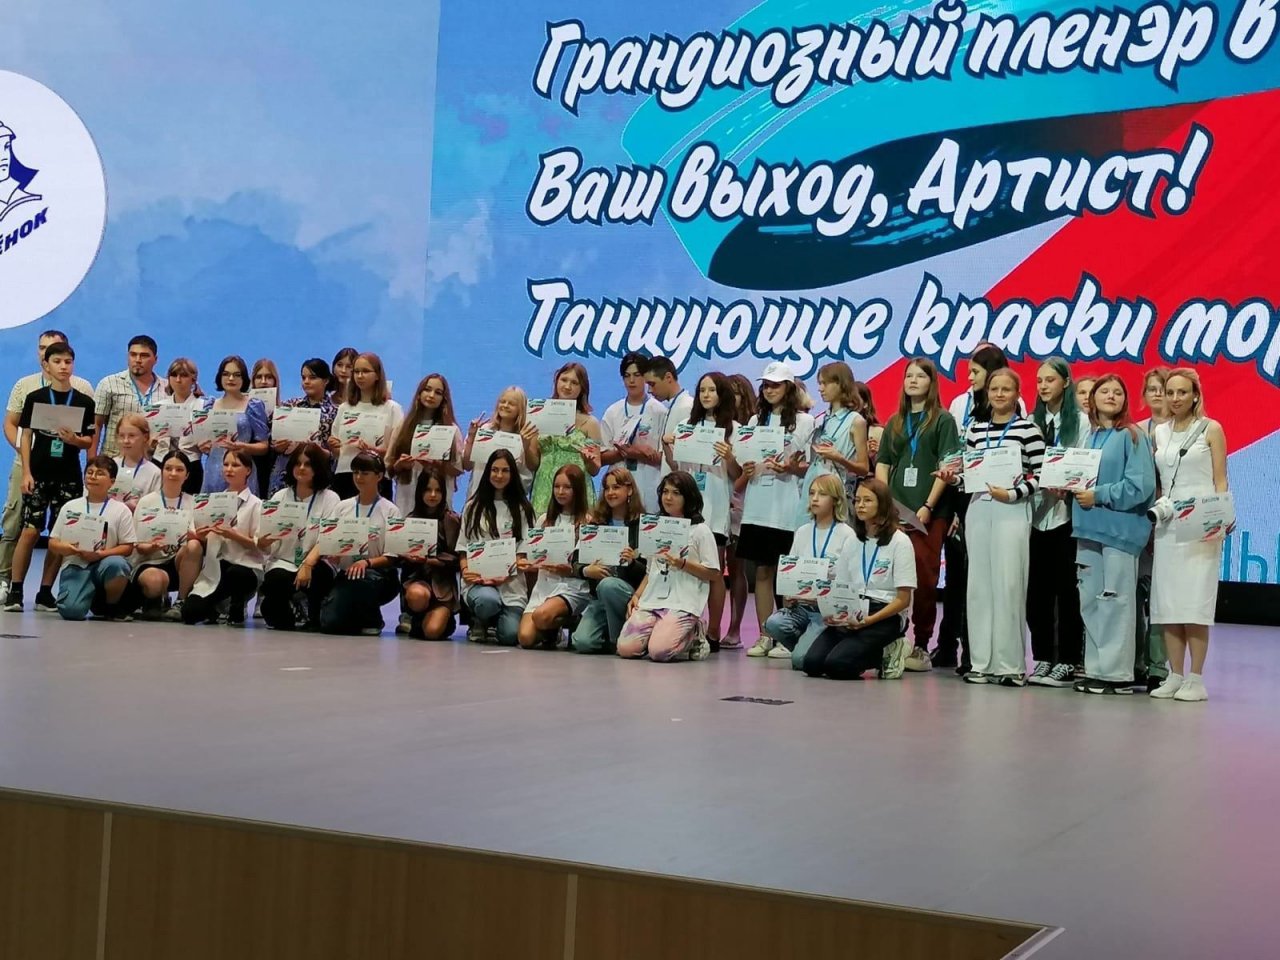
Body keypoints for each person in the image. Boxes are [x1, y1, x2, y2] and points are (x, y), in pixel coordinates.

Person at [943, 367, 1045, 686]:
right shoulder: (976, 430)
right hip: (979, 509)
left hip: (1011, 510)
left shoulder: (1028, 430)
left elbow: (1042, 474)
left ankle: (1010, 665)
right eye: (994, 389)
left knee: (1009, 585)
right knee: (979, 587)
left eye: (1006, 389)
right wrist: (953, 479)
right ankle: (981, 663)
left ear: (1017, 394)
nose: (999, 394)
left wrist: (1013, 494)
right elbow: (970, 475)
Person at [1070, 376, 1156, 694]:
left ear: (1125, 400)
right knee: (1090, 601)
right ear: (1092, 398)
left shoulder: (1133, 436)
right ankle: (1096, 669)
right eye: (1104, 391)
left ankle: (1117, 675)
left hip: (1119, 532)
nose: (1111, 396)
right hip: (1087, 529)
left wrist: (1099, 494)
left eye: (1118, 392)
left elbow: (1140, 486)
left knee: (1116, 603)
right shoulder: (1088, 437)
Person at [1149, 368, 1229, 702]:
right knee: (1168, 603)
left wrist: (1222, 518)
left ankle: (1196, 678)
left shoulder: (1212, 429)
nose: (1175, 398)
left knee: (1194, 602)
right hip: (1168, 523)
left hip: (1200, 523)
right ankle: (1175, 674)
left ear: (1195, 394)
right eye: (1170, 392)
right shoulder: (1159, 432)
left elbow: (1220, 478)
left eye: (1182, 392)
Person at [875, 358, 959, 670]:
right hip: (896, 510)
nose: (912, 380)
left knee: (924, 579)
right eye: (908, 375)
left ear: (931, 382)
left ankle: (921, 644)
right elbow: (883, 462)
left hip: (928, 512)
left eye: (920, 376)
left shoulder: (943, 420)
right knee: (888, 577)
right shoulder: (895, 421)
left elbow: (947, 466)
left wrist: (928, 506)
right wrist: (885, 503)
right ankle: (890, 639)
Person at [938, 344, 1015, 673]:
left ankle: (981, 653)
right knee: (958, 577)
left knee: (984, 577)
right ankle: (952, 648)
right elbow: (959, 452)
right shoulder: (960, 403)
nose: (969, 378)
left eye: (975, 372)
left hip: (995, 496)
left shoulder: (1013, 408)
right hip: (963, 493)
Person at [4, 340, 96, 613]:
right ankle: (16, 590)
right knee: (30, 531)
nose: (63, 367)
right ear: (46, 365)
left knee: (59, 534)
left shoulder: (83, 401)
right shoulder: (35, 398)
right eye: (57, 362)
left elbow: (89, 440)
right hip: (39, 474)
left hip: (68, 476)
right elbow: (26, 436)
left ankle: (45, 591)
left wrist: (75, 440)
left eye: (68, 362)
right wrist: (26, 472)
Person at [738, 362, 816, 656]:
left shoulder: (805, 422)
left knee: (787, 574)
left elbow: (810, 466)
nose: (769, 389)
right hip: (758, 504)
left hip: (787, 506)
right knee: (762, 571)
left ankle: (786, 635)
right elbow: (745, 460)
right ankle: (764, 634)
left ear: (789, 388)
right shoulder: (754, 420)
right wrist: (746, 469)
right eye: (766, 385)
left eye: (776, 384)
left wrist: (792, 468)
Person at [805, 479, 916, 680]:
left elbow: (903, 599)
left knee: (837, 665)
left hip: (883, 613)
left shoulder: (900, 542)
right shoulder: (853, 540)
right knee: (811, 663)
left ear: (882, 504)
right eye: (857, 500)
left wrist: (870, 620)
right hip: (853, 608)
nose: (860, 505)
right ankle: (862, 649)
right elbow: (841, 586)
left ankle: (891, 649)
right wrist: (833, 613)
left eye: (867, 500)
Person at [662, 371, 741, 649]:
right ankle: (687, 624)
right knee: (684, 565)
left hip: (716, 508)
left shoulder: (733, 428)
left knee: (714, 570)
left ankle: (715, 630)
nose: (706, 395)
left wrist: (729, 455)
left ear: (722, 394)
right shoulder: (686, 425)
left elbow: (737, 474)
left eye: (712, 390)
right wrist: (667, 446)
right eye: (702, 390)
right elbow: (676, 467)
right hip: (687, 508)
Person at [1026, 358, 1090, 688]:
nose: (1043, 386)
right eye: (1039, 380)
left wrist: (1066, 483)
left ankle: (1066, 658)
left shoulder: (1080, 422)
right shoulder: (1030, 421)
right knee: (1036, 591)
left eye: (1050, 380)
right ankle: (1041, 657)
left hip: (1066, 515)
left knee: (1067, 591)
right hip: (1035, 514)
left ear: (1065, 382)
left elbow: (1083, 461)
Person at [756, 475, 859, 669]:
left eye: (822, 494)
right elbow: (791, 570)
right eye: (812, 493)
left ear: (836, 500)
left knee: (799, 661)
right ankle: (809, 646)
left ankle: (816, 648)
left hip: (825, 611)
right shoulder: (803, 531)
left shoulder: (847, 534)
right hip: (802, 607)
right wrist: (789, 594)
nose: (815, 499)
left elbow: (849, 580)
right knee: (773, 623)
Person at [617, 471, 717, 662]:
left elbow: (713, 573)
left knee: (659, 652)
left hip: (682, 602)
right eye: (665, 492)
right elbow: (651, 570)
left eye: (676, 493)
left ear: (688, 497)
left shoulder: (700, 531)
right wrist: (637, 595)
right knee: (626, 648)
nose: (668, 497)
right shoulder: (655, 527)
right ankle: (658, 631)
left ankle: (695, 633)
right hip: (653, 600)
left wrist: (683, 564)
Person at [303, 452, 401, 636]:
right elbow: (328, 540)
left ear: (379, 476)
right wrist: (333, 554)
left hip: (378, 575)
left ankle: (372, 618)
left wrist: (366, 562)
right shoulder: (343, 507)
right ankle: (355, 615)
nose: (359, 477)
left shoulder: (391, 510)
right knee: (331, 624)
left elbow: (392, 557)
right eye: (355, 472)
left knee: (361, 583)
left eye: (365, 473)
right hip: (347, 574)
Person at [258, 444, 342, 631]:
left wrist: (308, 564)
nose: (302, 468)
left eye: (308, 464)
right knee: (276, 590)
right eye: (297, 463)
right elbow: (262, 542)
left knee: (319, 576)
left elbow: (328, 537)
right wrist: (264, 541)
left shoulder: (330, 498)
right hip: (284, 561)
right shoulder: (279, 496)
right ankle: (289, 605)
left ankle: (312, 611)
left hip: (316, 562)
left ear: (318, 468)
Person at [46, 456, 137, 621]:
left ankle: (110, 606)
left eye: (100, 473)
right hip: (76, 564)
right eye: (89, 472)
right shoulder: (70, 507)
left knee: (117, 564)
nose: (93, 477)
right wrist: (67, 548)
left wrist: (101, 554)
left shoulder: (121, 510)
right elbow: (53, 542)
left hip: (104, 563)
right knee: (71, 612)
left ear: (112, 481)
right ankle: (86, 597)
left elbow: (128, 547)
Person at [460, 449, 534, 646]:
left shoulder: (523, 509)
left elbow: (523, 553)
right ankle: (480, 620)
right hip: (480, 583)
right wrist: (465, 570)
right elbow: (463, 548)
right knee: (487, 602)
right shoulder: (472, 507)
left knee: (510, 636)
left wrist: (508, 572)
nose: (499, 475)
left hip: (511, 584)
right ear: (487, 472)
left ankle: (497, 622)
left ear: (513, 474)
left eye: (505, 470)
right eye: (494, 470)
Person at [571, 466, 648, 655]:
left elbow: (650, 571)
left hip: (629, 594)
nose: (610, 492)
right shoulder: (595, 524)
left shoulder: (643, 525)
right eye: (607, 488)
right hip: (599, 597)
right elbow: (576, 561)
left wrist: (633, 563)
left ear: (629, 490)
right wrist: (587, 571)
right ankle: (618, 632)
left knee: (609, 585)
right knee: (582, 642)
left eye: (616, 487)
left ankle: (617, 641)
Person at [183, 451, 263, 626]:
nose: (229, 469)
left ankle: (237, 605)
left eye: (235, 465)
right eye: (226, 465)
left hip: (244, 567)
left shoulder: (256, 504)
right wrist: (201, 536)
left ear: (248, 470)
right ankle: (215, 606)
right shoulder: (212, 502)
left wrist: (233, 535)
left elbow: (260, 546)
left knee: (237, 573)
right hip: (216, 567)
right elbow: (198, 535)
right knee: (189, 613)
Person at [518, 463, 592, 649]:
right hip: (545, 584)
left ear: (577, 490)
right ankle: (553, 630)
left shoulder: (587, 522)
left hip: (571, 586)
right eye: (557, 486)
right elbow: (532, 554)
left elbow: (586, 564)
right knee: (525, 638)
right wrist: (527, 564)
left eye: (567, 487)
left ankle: (571, 619)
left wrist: (568, 570)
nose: (560, 492)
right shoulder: (544, 520)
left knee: (541, 616)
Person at [128, 450, 203, 621]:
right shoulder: (146, 502)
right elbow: (137, 545)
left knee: (194, 546)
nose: (173, 473)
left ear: (187, 475)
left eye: (179, 469)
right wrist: (151, 546)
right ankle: (155, 598)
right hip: (150, 561)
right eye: (168, 468)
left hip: (179, 562)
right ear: (162, 471)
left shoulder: (194, 503)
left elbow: (197, 540)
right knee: (155, 581)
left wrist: (190, 536)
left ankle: (181, 601)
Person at [1134, 367, 1172, 690]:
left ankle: (1158, 667)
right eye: (1152, 388)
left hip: (1171, 523)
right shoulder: (1135, 432)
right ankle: (1135, 661)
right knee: (1134, 594)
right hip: (1139, 521)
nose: (1158, 393)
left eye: (1164, 388)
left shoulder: (1186, 432)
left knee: (1161, 597)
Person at [528, 362, 602, 515]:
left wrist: (589, 461)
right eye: (564, 380)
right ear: (556, 381)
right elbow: (533, 464)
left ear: (582, 389)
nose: (567, 386)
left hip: (577, 490)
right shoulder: (539, 415)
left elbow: (595, 470)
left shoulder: (591, 423)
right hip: (545, 490)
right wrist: (525, 444)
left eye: (574, 383)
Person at [799, 362, 869, 520]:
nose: (820, 389)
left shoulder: (856, 421)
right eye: (819, 383)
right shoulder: (823, 418)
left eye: (825, 383)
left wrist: (839, 458)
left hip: (834, 492)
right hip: (811, 488)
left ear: (841, 384)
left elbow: (864, 468)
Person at [398, 467, 462, 641]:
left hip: (443, 587)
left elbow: (458, 559)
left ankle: (441, 618)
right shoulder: (410, 520)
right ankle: (414, 615)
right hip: (418, 581)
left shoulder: (452, 520)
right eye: (428, 490)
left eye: (438, 490)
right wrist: (406, 556)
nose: (433, 495)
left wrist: (432, 560)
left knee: (432, 632)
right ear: (420, 491)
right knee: (417, 595)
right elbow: (399, 559)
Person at [329, 353, 404, 500]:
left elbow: (397, 451)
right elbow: (337, 450)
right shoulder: (345, 408)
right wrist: (334, 446)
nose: (360, 376)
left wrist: (374, 451)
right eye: (356, 371)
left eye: (365, 371)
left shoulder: (392, 409)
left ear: (377, 375)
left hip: (376, 476)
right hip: (345, 475)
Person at [387, 373, 464, 516]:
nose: (431, 395)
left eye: (438, 392)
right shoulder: (403, 426)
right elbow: (389, 468)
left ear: (444, 399)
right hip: (407, 496)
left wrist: (438, 465)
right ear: (419, 394)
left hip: (438, 500)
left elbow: (458, 469)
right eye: (427, 390)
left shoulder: (451, 429)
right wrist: (400, 465)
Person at [599, 353, 667, 505]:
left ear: (646, 377)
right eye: (627, 376)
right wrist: (627, 452)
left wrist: (637, 454)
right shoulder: (612, 412)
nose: (631, 380)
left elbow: (664, 459)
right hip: (617, 490)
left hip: (649, 487)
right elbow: (602, 457)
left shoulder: (659, 411)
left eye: (637, 375)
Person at [198, 355, 270, 496]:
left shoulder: (253, 405)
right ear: (220, 377)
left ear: (244, 378)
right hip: (214, 470)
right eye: (226, 374)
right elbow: (203, 439)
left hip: (242, 472)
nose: (231, 379)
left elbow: (264, 447)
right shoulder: (209, 405)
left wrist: (242, 447)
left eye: (236, 375)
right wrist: (203, 446)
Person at [266, 358, 339, 495]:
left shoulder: (336, 412)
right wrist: (277, 446)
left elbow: (336, 454)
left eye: (312, 377)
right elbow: (271, 439)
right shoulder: (289, 406)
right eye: (303, 377)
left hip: (318, 475)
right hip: (284, 474)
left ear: (326, 380)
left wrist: (321, 451)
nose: (306, 381)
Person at [722, 373, 757, 648]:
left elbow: (745, 474)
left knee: (736, 567)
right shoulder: (711, 427)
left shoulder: (748, 431)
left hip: (739, 503)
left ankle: (735, 628)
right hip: (713, 501)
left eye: (735, 392)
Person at [92, 335, 168, 457]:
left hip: (153, 461)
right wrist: (91, 460)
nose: (138, 360)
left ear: (155, 359)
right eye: (133, 355)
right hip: (113, 460)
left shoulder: (168, 388)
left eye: (144, 356)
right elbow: (96, 424)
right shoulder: (108, 384)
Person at [462, 386, 539, 501]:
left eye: (511, 404)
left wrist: (525, 446)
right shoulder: (484, 429)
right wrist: (471, 437)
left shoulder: (526, 436)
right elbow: (467, 465)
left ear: (521, 409)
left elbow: (531, 469)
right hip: (478, 499)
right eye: (502, 401)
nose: (505, 405)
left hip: (509, 501)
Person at [158, 358, 205, 493]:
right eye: (174, 375)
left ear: (193, 379)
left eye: (184, 375)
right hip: (160, 462)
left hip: (191, 464)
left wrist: (206, 445)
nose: (178, 380)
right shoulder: (157, 408)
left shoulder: (203, 407)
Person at [111, 414, 163, 511]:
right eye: (122, 436)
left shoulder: (155, 473)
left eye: (131, 436)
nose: (126, 441)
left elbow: (155, 508)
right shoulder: (110, 465)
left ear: (145, 437)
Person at [249, 358, 282, 497]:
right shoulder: (244, 411)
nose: (264, 381)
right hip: (250, 469)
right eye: (259, 377)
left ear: (275, 381)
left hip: (275, 471)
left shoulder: (284, 411)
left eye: (269, 377)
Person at [644, 356, 695, 441]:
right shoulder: (676, 405)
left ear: (668, 378)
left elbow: (686, 447)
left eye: (652, 384)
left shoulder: (685, 407)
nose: (649, 390)